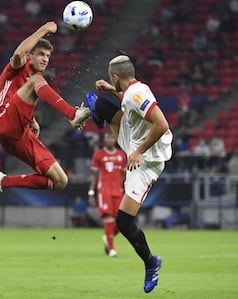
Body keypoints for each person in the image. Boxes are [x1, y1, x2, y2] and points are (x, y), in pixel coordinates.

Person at [85, 55, 172, 293]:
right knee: (98, 102)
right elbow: (130, 102)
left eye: (112, 79)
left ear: (116, 75)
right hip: (133, 136)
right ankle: (98, 117)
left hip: (146, 161)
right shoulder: (136, 89)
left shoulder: (137, 94)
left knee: (123, 221)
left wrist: (139, 152)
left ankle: (151, 262)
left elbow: (162, 124)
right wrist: (112, 89)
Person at [0, 22, 91, 204]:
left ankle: (3, 181)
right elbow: (18, 54)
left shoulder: (33, 81)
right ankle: (72, 114)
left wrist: (31, 120)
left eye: (48, 56)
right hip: (1, 122)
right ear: (30, 56)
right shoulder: (17, 68)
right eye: (41, 54)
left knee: (60, 180)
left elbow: (21, 99)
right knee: (35, 81)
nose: (45, 59)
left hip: (18, 134)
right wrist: (44, 30)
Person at [88, 130, 127, 257]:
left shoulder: (122, 155)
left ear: (115, 139)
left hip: (118, 191)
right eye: (107, 138)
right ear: (104, 139)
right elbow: (94, 175)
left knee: (123, 222)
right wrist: (91, 192)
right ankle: (111, 249)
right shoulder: (98, 155)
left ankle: (108, 238)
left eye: (112, 138)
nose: (109, 140)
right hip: (104, 191)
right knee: (108, 218)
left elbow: (125, 175)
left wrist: (128, 191)